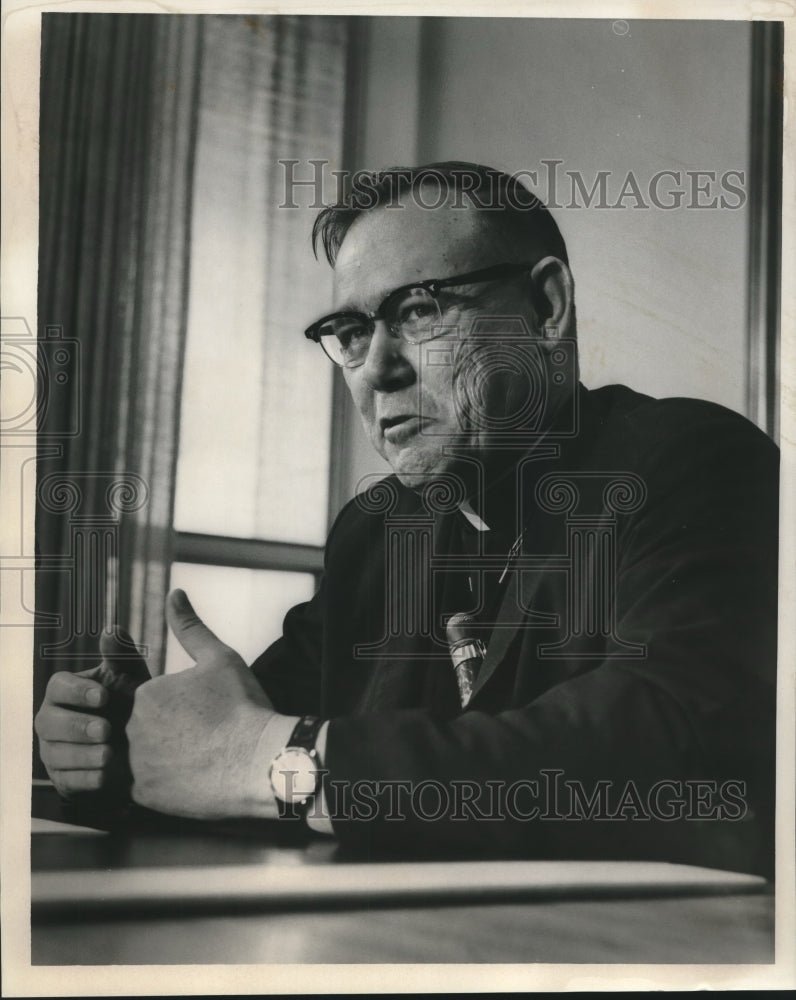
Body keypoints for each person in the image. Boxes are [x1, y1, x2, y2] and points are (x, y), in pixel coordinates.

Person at [34, 163, 779, 874]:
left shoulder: (695, 464)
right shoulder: (377, 532)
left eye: (418, 310)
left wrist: (270, 764)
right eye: (352, 332)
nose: (377, 369)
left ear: (546, 306)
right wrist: (127, 743)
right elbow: (236, 748)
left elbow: (667, 749)